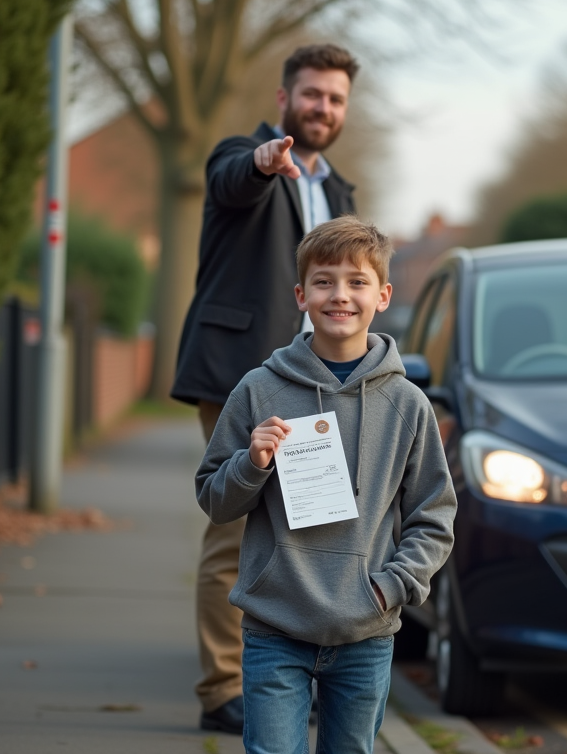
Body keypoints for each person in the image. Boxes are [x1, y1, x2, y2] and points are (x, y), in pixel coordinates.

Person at [195, 216, 457, 754]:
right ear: (301, 295)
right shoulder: (259, 390)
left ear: (382, 296)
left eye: (357, 282)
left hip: (366, 630)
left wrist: (392, 587)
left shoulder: (408, 405)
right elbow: (214, 500)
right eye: (324, 281)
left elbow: (434, 516)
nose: (340, 295)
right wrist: (251, 463)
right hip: (275, 626)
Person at [170, 44, 360, 734]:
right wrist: (260, 163)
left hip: (316, 383)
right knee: (235, 529)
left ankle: (280, 681)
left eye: (335, 99)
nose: (322, 108)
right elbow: (232, 182)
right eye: (312, 94)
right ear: (284, 99)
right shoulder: (240, 156)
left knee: (305, 529)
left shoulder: (338, 193)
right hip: (239, 375)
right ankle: (222, 689)